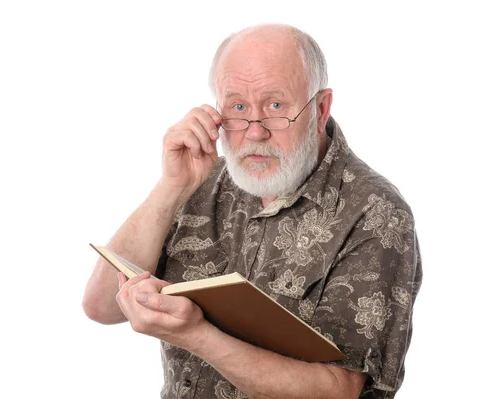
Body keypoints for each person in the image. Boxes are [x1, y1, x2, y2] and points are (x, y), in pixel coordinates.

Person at [83, 23, 422, 399]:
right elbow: (101, 306)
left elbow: (339, 391)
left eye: (275, 106)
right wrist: (171, 187)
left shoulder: (375, 211)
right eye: (238, 107)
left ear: (321, 108)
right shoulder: (200, 179)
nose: (255, 132)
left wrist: (198, 336)